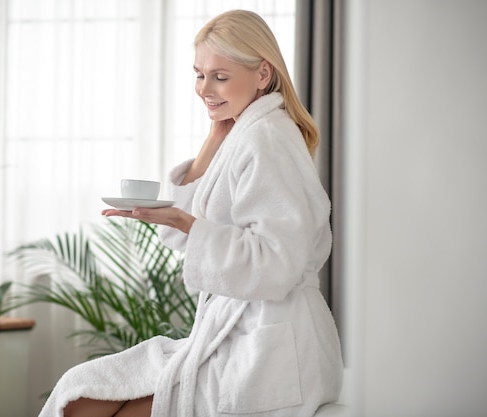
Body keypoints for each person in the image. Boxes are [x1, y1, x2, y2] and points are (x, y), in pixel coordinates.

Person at [39, 9, 343, 417]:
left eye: (220, 76)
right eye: (199, 74)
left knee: (85, 405)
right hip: (237, 336)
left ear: (263, 74)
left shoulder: (266, 138)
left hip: (269, 351)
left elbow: (277, 261)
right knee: (79, 394)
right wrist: (215, 137)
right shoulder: (244, 133)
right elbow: (185, 238)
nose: (204, 88)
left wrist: (186, 222)